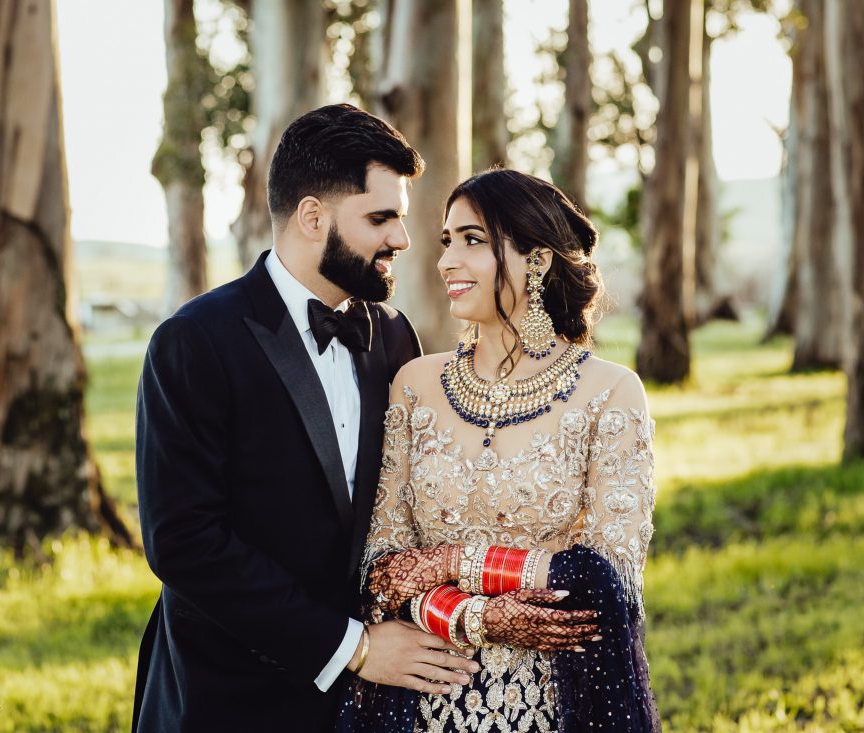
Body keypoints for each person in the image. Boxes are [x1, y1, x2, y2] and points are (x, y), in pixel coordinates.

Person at [132, 104, 482, 733]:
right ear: (313, 216)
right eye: (381, 218)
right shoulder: (193, 343)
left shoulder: (395, 337)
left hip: (363, 707)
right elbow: (184, 543)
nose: (402, 240)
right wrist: (355, 647)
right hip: (226, 696)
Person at [338, 169, 661, 732]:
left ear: (535, 261)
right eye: (446, 241)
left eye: (472, 240)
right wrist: (479, 615)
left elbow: (604, 580)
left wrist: (444, 566)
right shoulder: (415, 384)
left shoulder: (610, 392)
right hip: (423, 692)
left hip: (555, 704)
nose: (445, 262)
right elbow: (381, 569)